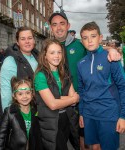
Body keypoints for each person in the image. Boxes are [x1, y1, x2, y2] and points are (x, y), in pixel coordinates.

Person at [49, 11, 122, 150]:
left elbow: (94, 47)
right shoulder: (47, 47)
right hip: (60, 103)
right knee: (59, 142)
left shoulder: (79, 44)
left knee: (86, 144)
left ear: (68, 26)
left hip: (84, 104)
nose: (58, 27)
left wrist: (111, 49)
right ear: (50, 27)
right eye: (54, 24)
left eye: (62, 24)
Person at [77, 21, 125, 150]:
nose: (90, 41)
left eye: (93, 36)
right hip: (89, 113)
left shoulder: (111, 58)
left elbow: (123, 87)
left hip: (108, 114)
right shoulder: (81, 63)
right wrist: (81, 113)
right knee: (94, 147)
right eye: (85, 38)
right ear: (81, 41)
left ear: (100, 37)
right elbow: (82, 90)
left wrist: (122, 116)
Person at [34, 38, 79, 150]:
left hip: (66, 118)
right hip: (51, 121)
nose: (57, 56)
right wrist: (72, 99)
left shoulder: (64, 71)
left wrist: (59, 99)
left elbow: (72, 97)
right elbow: (53, 104)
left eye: (59, 52)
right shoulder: (41, 76)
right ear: (45, 55)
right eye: (52, 52)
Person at [0, 27, 38, 133]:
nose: (27, 41)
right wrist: (10, 119)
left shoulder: (37, 57)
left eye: (30, 38)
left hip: (35, 111)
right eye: (23, 39)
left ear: (34, 40)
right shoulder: (10, 61)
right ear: (17, 42)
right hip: (19, 113)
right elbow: (6, 94)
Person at [0, 77, 43, 150]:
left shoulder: (37, 110)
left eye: (27, 93)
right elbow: (1, 137)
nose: (24, 96)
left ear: (32, 94)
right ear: (14, 96)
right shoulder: (9, 112)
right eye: (20, 94)